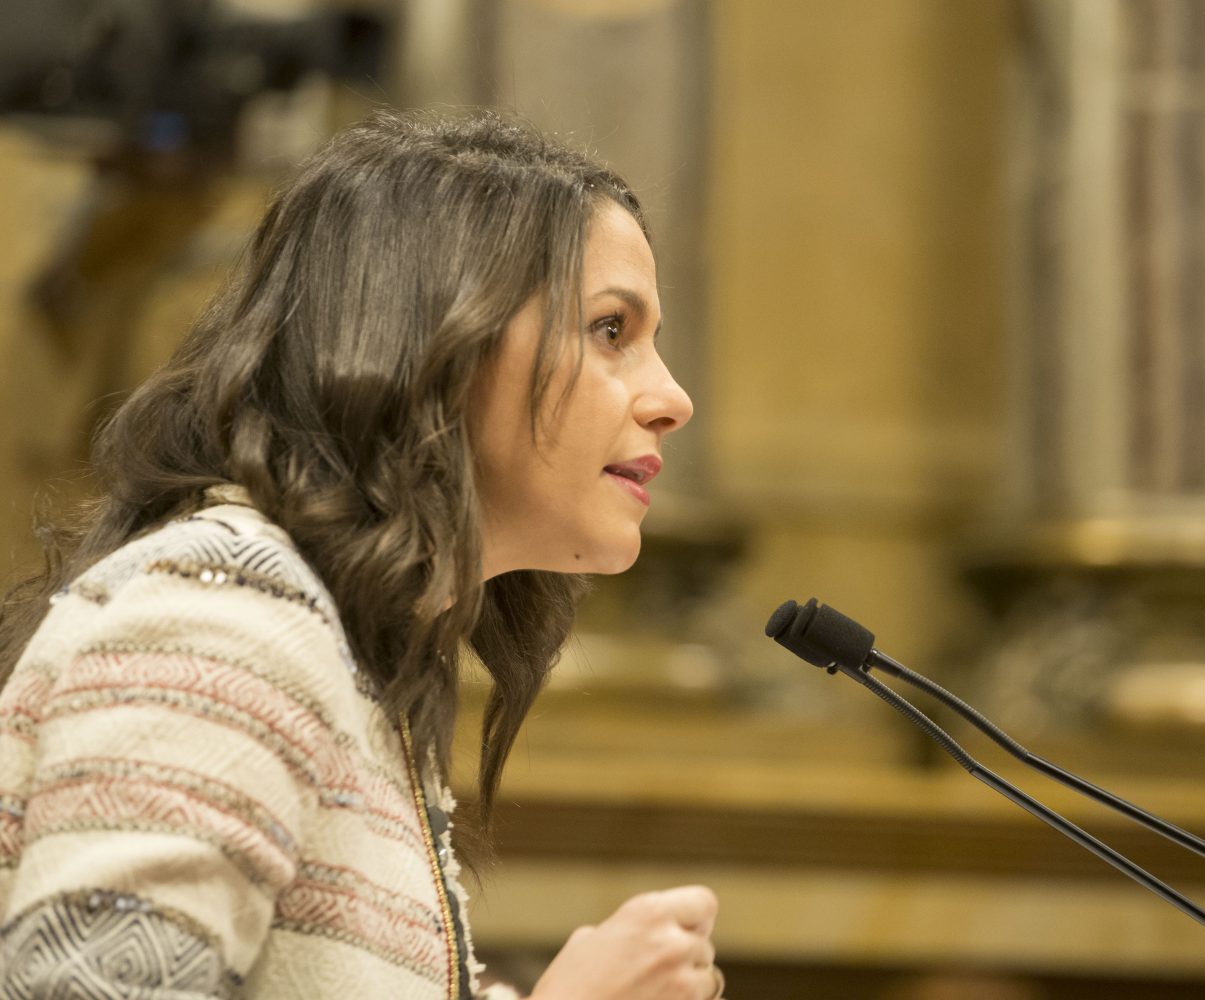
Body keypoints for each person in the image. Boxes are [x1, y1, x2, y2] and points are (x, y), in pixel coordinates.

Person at [0, 108, 724, 1000]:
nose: (672, 398)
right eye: (611, 330)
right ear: (436, 343)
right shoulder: (223, 624)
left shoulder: (333, 649)